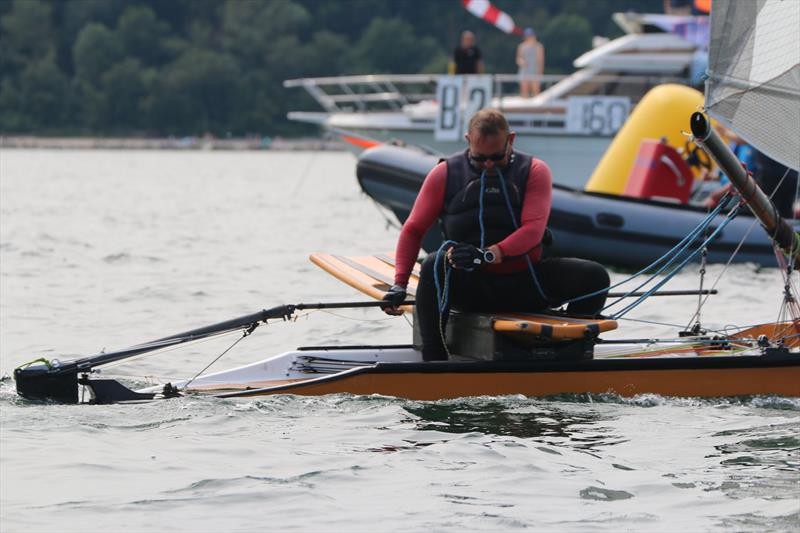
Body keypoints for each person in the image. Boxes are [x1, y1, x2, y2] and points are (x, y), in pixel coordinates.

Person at [381, 109, 610, 361]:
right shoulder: (444, 173)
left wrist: (487, 255)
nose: (488, 165)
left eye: (497, 157)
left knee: (595, 276)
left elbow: (533, 230)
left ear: (511, 140)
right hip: (471, 288)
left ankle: (571, 346)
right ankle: (434, 357)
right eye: (480, 159)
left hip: (526, 284)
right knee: (435, 263)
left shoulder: (534, 171)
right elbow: (413, 229)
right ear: (468, 140)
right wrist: (399, 284)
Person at [516, 27, 545, 98]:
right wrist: (522, 62)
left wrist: (540, 73)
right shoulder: (522, 46)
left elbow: (540, 61)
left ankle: (537, 107)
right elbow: (518, 58)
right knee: (524, 90)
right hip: (524, 71)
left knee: (536, 91)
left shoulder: (539, 46)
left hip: (535, 71)